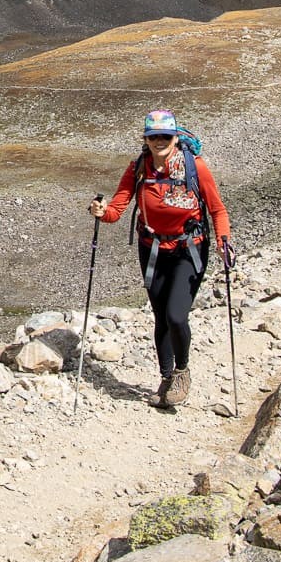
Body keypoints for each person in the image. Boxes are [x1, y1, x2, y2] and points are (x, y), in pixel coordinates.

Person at [89, 108, 230, 408]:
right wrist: (101, 212)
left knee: (176, 315)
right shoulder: (139, 168)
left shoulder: (195, 168)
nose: (159, 141)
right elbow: (117, 208)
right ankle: (165, 377)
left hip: (189, 248)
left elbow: (217, 209)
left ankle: (181, 372)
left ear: (175, 137)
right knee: (160, 316)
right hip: (151, 247)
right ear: (146, 139)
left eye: (165, 136)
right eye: (154, 137)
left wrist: (223, 241)